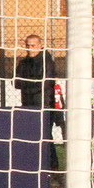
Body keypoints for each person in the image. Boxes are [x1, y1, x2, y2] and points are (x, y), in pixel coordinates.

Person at [13, 33, 64, 172]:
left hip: (45, 104)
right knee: (30, 135)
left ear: (41, 46)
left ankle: (53, 166)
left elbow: (44, 83)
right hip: (28, 104)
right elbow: (16, 83)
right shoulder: (23, 63)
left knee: (46, 136)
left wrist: (28, 84)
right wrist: (30, 83)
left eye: (33, 46)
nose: (30, 49)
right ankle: (34, 164)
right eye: (27, 46)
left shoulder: (48, 62)